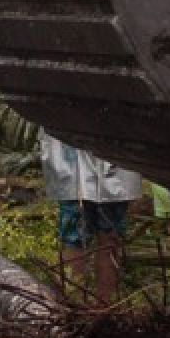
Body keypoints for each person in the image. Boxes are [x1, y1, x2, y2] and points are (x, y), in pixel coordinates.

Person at [38, 130, 144, 304]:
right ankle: (80, 304)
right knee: (81, 237)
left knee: (101, 237)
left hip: (105, 158)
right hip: (78, 158)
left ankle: (101, 306)